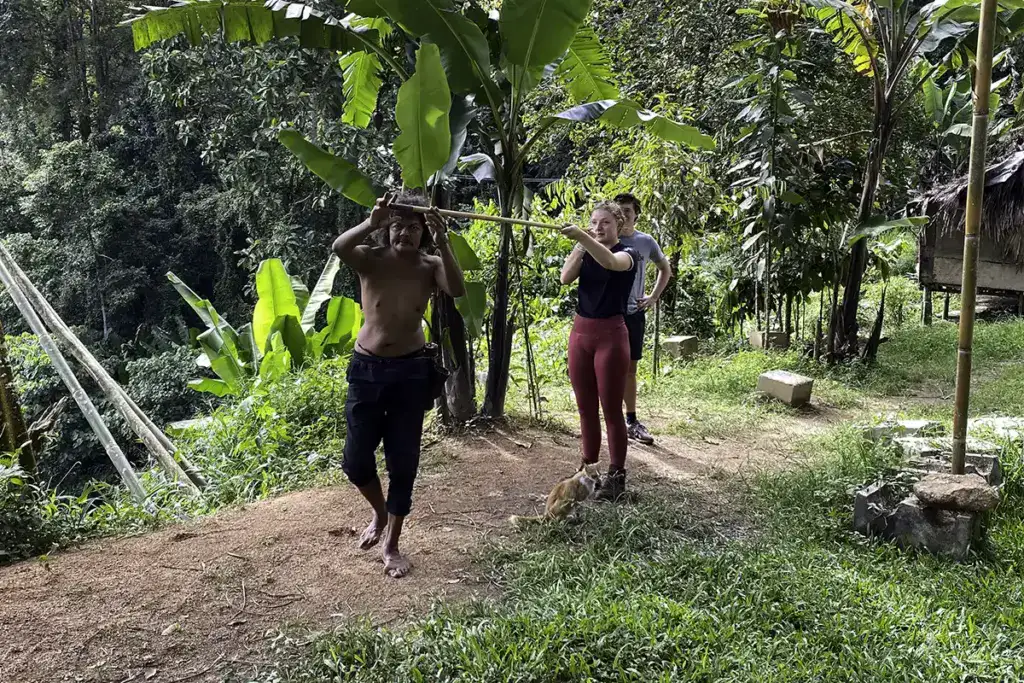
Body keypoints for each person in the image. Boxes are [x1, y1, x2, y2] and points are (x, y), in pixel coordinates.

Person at [332, 191, 466, 578]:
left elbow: (456, 290)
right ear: (386, 229)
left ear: (423, 231)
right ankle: (378, 512)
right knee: (356, 461)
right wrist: (371, 222)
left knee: (403, 462)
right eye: (396, 225)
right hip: (366, 370)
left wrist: (443, 240)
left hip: (411, 372)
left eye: (412, 226)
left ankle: (391, 544)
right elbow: (341, 246)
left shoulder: (430, 264)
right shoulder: (370, 259)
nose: (403, 233)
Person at [559, 201, 639, 502]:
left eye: (606, 222)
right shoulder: (587, 249)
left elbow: (609, 263)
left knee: (611, 410)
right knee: (585, 408)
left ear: (619, 225)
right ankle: (587, 469)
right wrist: (580, 244)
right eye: (594, 221)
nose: (599, 227)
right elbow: (565, 277)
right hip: (581, 334)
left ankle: (616, 476)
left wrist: (583, 237)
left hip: (611, 336)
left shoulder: (627, 254)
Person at [614, 192, 672, 446]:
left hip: (634, 314)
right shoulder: (605, 239)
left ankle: (631, 420)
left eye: (627, 210)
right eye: (619, 211)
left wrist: (653, 297)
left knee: (630, 369)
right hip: (608, 314)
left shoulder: (645, 241)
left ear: (636, 213)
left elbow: (664, 268)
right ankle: (609, 418)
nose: (623, 215)